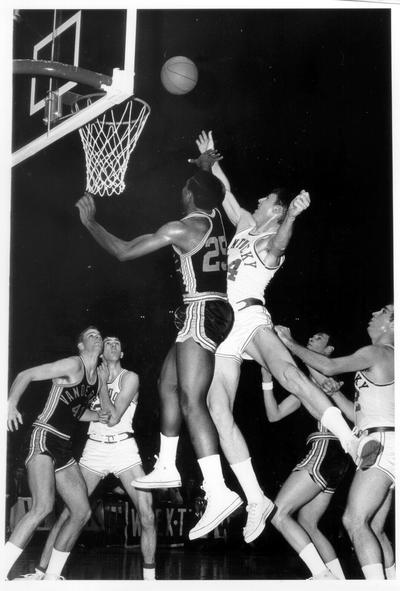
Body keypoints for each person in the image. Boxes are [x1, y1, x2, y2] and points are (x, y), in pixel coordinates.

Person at [184, 132, 368, 546]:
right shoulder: (248, 225)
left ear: (278, 209)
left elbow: (279, 245)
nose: (261, 199)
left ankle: (351, 440)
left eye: (268, 198)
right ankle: (254, 498)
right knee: (216, 408)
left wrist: (293, 218)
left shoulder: (272, 237)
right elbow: (227, 193)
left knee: (288, 374)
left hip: (250, 314)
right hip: (223, 327)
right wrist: (210, 163)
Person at [75, 161, 241, 541]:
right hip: (209, 309)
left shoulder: (181, 227)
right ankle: (166, 464)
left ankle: (218, 492)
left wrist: (91, 224)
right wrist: (207, 165)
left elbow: (123, 251)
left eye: (184, 187)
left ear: (187, 195)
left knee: (190, 400)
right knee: (166, 383)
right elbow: (214, 191)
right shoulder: (215, 219)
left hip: (202, 308)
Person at [19, 336, 157, 581]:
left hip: (123, 447)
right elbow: (75, 408)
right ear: (101, 352)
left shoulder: (130, 377)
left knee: (147, 514)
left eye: (118, 343)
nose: (113, 345)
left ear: (122, 353)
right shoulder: (90, 379)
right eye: (108, 343)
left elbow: (112, 418)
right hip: (94, 450)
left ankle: (150, 580)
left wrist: (103, 385)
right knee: (70, 513)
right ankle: (41, 573)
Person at [275, 304, 395, 580]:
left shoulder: (376, 352)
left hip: (381, 444)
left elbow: (328, 365)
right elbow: (361, 415)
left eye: (383, 311)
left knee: (354, 520)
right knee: (375, 530)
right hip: (385, 438)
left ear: (391, 324)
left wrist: (289, 342)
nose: (374, 312)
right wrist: (336, 395)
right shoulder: (386, 358)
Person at [5, 326, 109, 580]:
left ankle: (51, 577)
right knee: (43, 506)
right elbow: (25, 374)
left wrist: (98, 415)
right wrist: (10, 404)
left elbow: (76, 411)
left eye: (100, 335)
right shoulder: (73, 365)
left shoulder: (98, 378)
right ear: (81, 346)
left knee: (82, 512)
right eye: (91, 335)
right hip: (43, 434)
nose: (98, 337)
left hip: (63, 445)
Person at [263, 331, 350, 580]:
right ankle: (340, 581)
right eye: (311, 336)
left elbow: (311, 373)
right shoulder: (309, 381)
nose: (312, 337)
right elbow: (274, 415)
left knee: (277, 513)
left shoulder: (329, 374)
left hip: (326, 448)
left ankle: (323, 575)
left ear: (330, 348)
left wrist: (287, 344)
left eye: (320, 337)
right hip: (336, 458)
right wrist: (266, 380)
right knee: (308, 522)